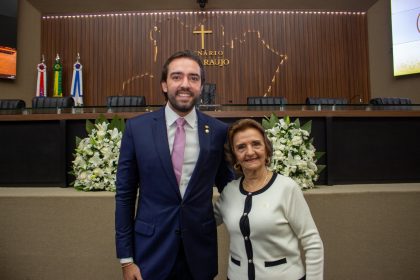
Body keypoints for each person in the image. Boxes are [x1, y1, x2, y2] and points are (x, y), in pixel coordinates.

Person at [115, 50, 234, 280]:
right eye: (177, 76)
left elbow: (229, 189)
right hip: (150, 253)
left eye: (193, 78)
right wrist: (126, 259)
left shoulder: (218, 132)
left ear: (201, 86)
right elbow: (125, 195)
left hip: (199, 254)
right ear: (164, 84)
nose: (185, 84)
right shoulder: (137, 129)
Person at [214, 119, 324, 280]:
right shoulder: (230, 191)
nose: (250, 152)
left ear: (266, 148)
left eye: (256, 144)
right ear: (235, 156)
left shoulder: (286, 188)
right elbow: (204, 222)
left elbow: (312, 242)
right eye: (241, 147)